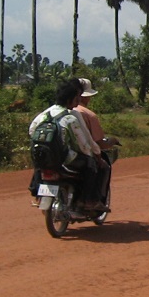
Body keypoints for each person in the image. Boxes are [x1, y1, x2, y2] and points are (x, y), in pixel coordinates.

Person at [28, 79, 107, 209]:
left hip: (41, 154)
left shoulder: (45, 114)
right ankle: (88, 200)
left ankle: (37, 194)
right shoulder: (70, 118)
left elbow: (32, 131)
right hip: (65, 158)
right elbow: (84, 145)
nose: (78, 101)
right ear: (70, 98)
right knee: (90, 164)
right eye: (76, 97)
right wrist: (94, 156)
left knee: (41, 163)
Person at [74, 78, 119, 204]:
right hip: (83, 154)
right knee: (103, 167)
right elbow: (98, 142)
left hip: (61, 153)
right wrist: (112, 141)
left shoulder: (59, 111)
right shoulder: (88, 114)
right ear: (84, 97)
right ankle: (93, 200)